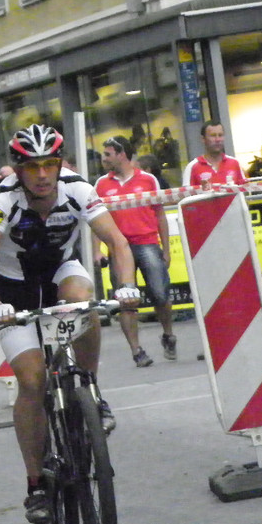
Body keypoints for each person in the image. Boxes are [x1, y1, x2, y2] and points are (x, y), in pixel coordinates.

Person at [0, 124, 140, 524]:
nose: (42, 175)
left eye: (49, 165)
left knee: (85, 301)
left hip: (60, 271)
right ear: (19, 170)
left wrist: (127, 285)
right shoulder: (3, 202)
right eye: (32, 167)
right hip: (13, 291)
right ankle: (36, 485)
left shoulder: (78, 189)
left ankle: (90, 389)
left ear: (60, 165)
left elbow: (117, 242)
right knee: (31, 382)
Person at [94, 135, 176, 367]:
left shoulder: (148, 179)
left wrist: (166, 248)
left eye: (108, 154)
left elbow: (160, 214)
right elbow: (95, 218)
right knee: (126, 300)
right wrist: (97, 250)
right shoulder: (101, 184)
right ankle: (136, 350)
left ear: (122, 154)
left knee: (160, 294)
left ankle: (168, 334)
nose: (104, 159)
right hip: (119, 248)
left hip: (147, 242)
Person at [182, 120, 248, 188]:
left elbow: (245, 190)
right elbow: (187, 193)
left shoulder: (235, 163)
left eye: (220, 135)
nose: (217, 139)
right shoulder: (192, 167)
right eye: (213, 136)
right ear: (203, 139)